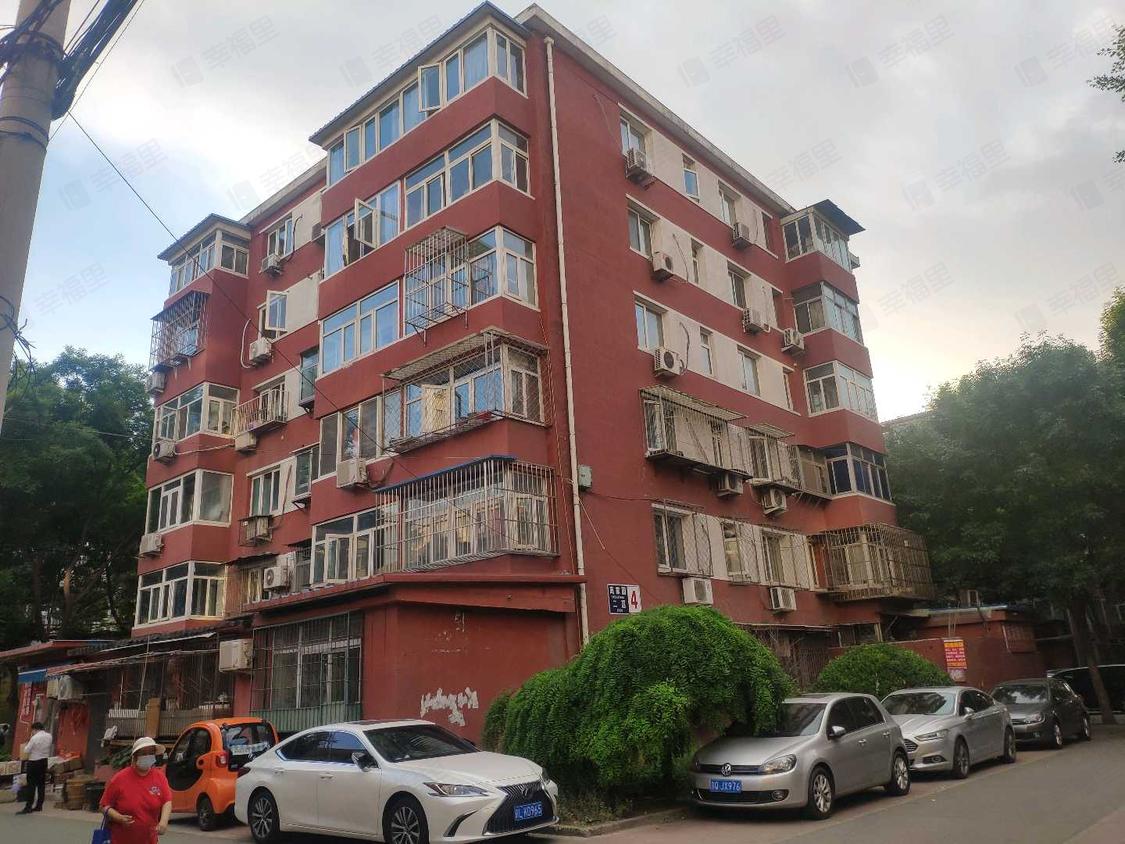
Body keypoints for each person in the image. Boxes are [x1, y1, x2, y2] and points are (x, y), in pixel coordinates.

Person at [99, 737, 171, 844]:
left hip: (149, 840)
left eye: (151, 753)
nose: (147, 756)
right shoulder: (119, 779)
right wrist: (119, 818)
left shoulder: (159, 777)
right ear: (135, 757)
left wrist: (163, 822)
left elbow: (167, 801)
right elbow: (103, 806)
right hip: (120, 840)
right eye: (143, 753)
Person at [18, 721, 52, 814]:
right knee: (41, 784)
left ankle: (28, 806)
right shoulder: (49, 736)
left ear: (35, 729)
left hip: (34, 762)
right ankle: (39, 805)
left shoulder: (34, 738)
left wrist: (27, 744)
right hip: (44, 761)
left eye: (32, 730)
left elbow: (26, 750)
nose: (32, 732)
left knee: (31, 784)